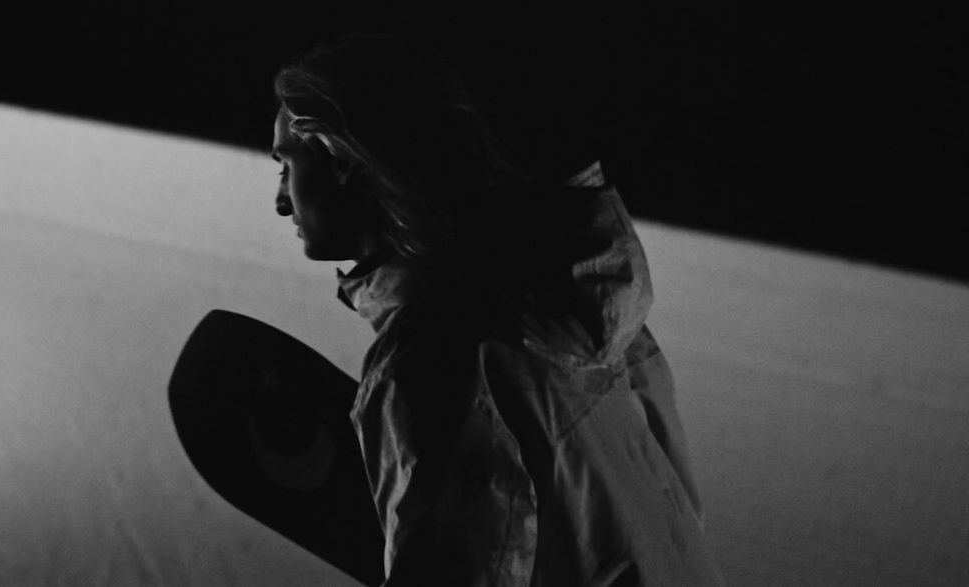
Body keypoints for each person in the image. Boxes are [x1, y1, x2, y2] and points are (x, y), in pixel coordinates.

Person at [269, 33, 725, 586]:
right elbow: (676, 513)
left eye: (286, 166)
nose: (281, 201)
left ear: (344, 160)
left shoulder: (431, 358)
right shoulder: (570, 306)